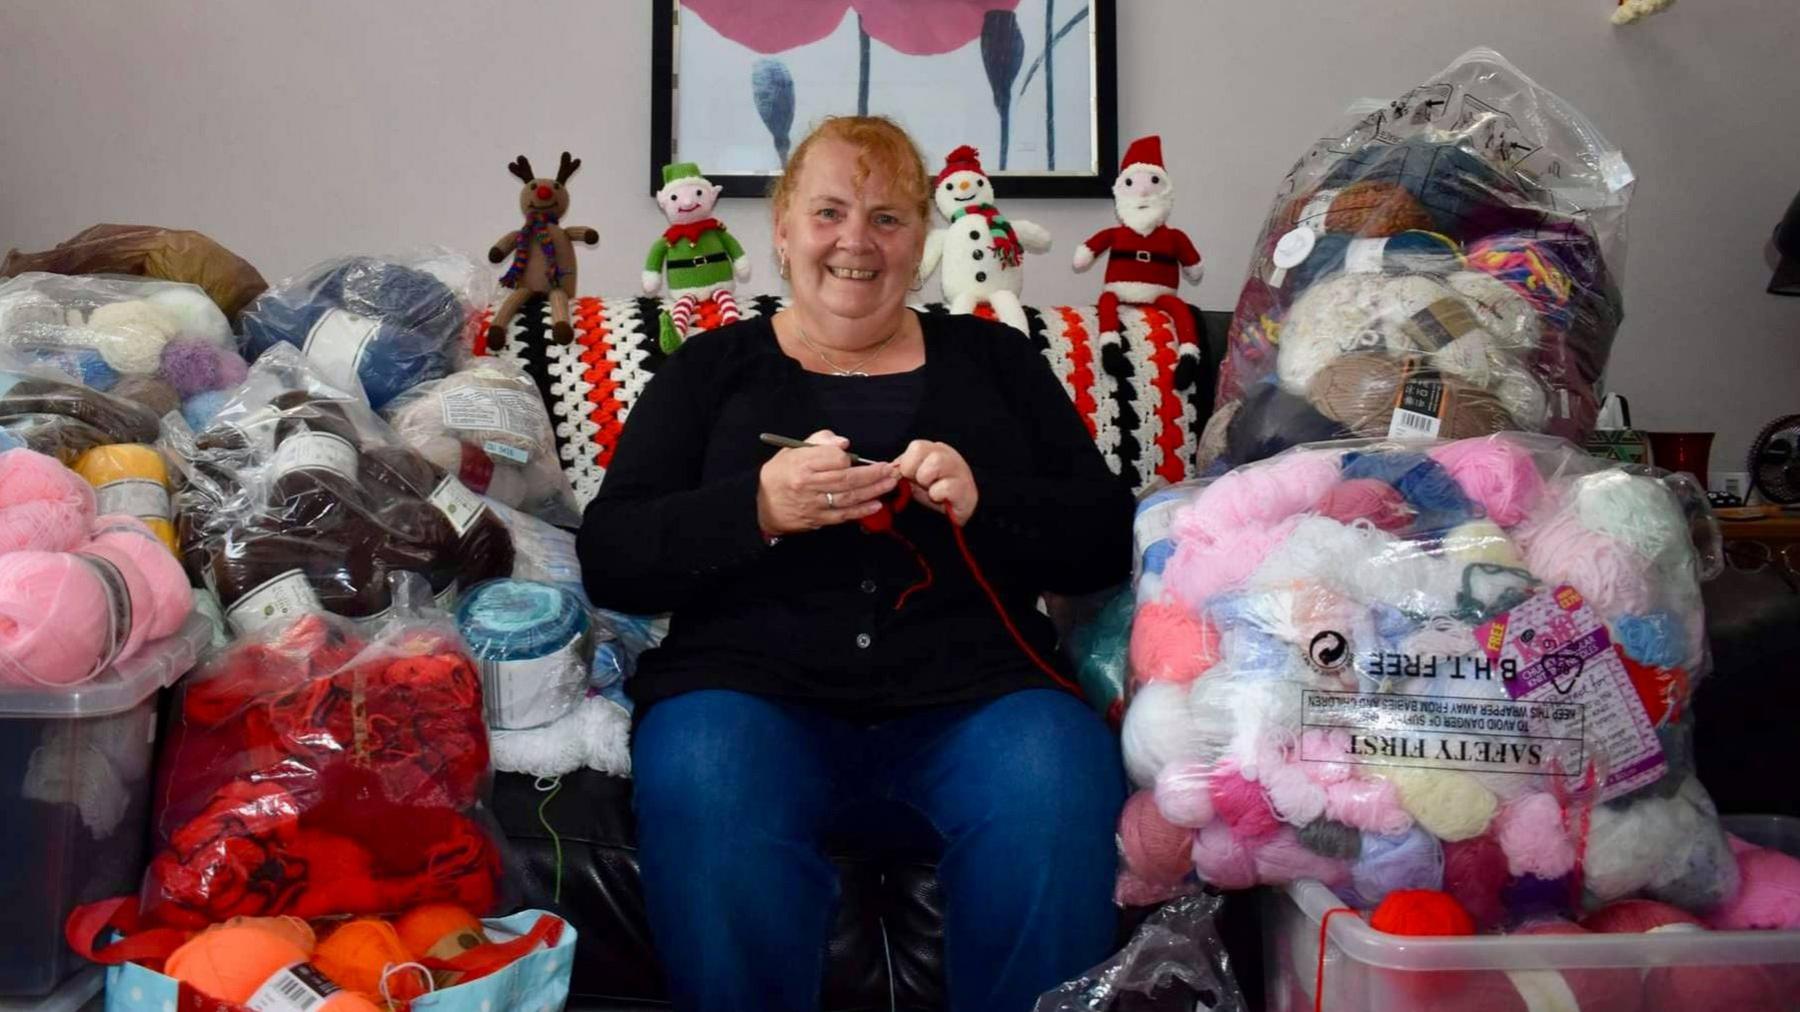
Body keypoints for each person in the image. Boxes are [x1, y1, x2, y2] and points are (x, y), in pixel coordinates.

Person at [578, 115, 1134, 1012]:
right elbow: (612, 557)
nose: (855, 242)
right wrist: (756, 509)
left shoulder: (995, 359)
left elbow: (1105, 538)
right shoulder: (710, 368)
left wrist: (986, 499)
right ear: (783, 229)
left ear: (922, 242)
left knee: (1058, 780)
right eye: (830, 211)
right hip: (748, 698)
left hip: (979, 701)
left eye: (887, 218)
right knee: (707, 777)